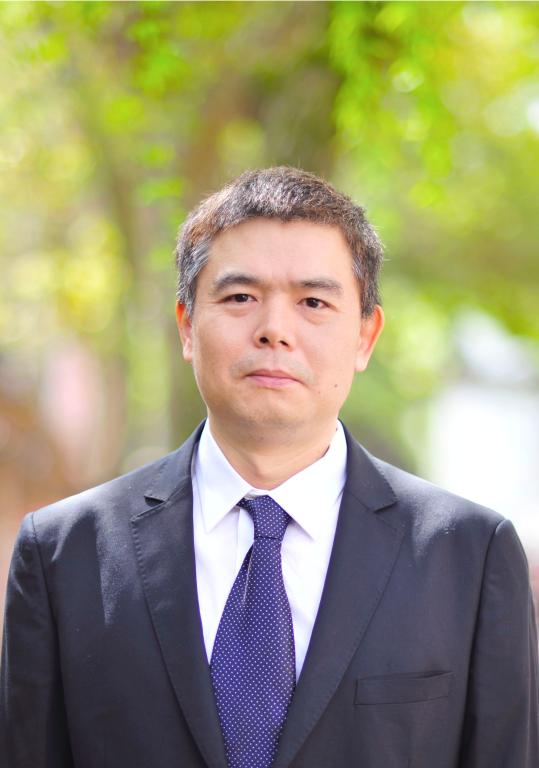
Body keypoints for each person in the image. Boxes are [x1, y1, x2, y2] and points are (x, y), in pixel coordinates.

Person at [1, 167, 537, 768]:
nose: (275, 331)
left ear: (365, 336)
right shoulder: (64, 554)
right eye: (240, 298)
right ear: (186, 326)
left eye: (313, 302)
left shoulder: (469, 556)